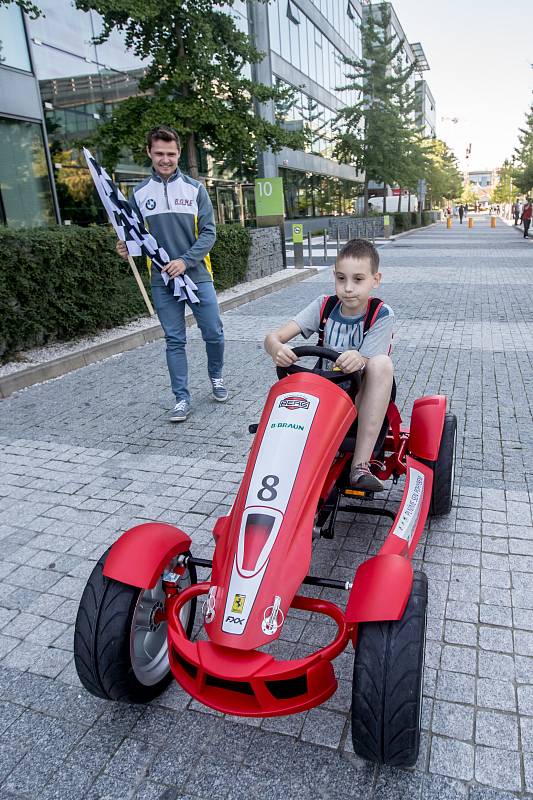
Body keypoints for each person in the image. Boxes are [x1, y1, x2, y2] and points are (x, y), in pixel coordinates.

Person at [264, 239, 394, 492]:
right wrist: (277, 349)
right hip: (324, 390)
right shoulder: (325, 305)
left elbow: (370, 360)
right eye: (341, 279)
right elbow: (273, 337)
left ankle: (360, 465)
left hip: (361, 392)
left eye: (358, 279)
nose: (348, 288)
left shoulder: (381, 314)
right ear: (334, 276)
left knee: (381, 364)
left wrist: (360, 359)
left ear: (375, 280)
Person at [116, 125, 227, 422]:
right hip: (162, 280)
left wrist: (185, 260)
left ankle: (215, 376)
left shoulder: (195, 189)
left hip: (197, 275)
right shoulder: (138, 193)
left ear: (178, 153)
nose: (165, 159)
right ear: (149, 153)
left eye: (171, 153)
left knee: (214, 332)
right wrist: (127, 248)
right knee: (174, 340)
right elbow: (137, 237)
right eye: (159, 154)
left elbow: (209, 234)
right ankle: (181, 398)